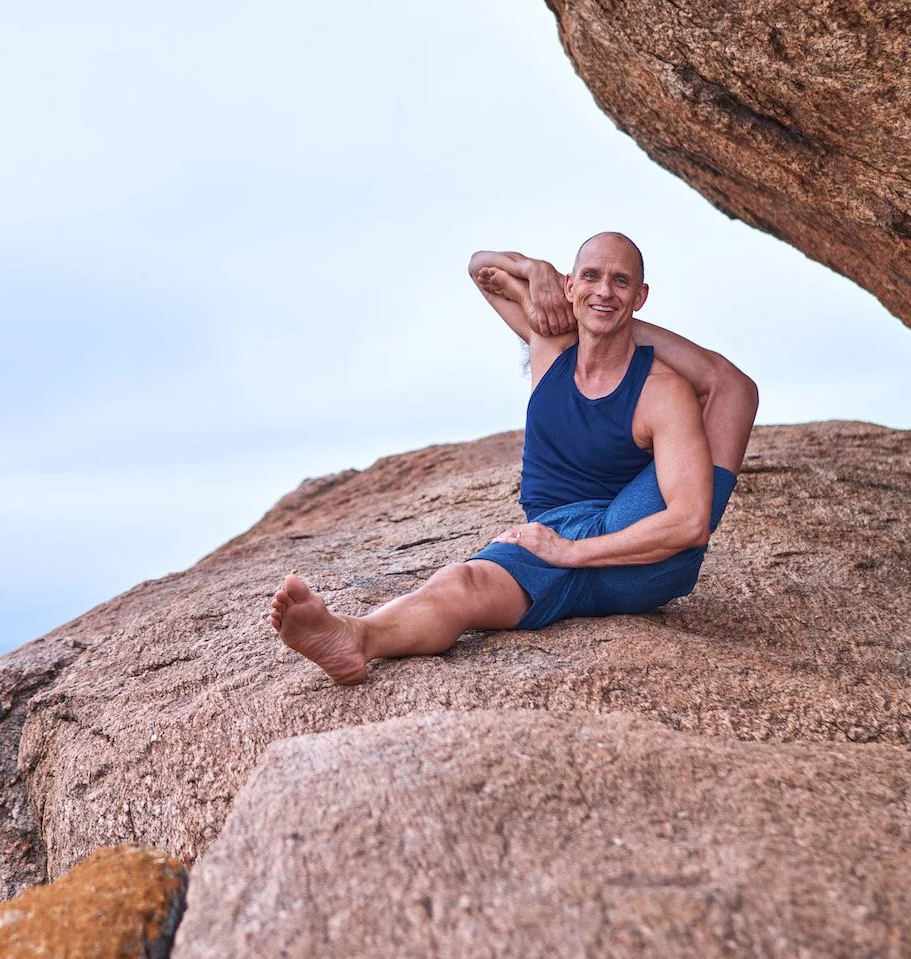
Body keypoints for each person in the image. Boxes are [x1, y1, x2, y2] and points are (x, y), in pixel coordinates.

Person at [270, 232, 759, 684]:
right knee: (461, 581)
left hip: (637, 558)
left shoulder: (661, 392)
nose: (604, 290)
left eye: (620, 282)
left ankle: (365, 634)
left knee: (704, 443)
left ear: (641, 296)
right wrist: (533, 268)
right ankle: (356, 638)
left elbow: (690, 523)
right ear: (569, 284)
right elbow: (480, 268)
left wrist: (570, 552)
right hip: (553, 537)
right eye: (590, 277)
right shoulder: (548, 342)